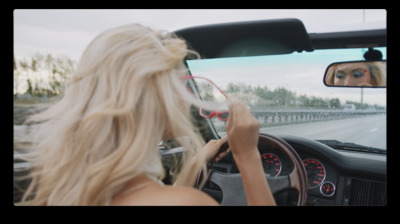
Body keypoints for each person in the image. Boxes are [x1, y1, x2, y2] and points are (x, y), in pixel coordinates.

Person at [20, 24, 276, 206]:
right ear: (158, 97)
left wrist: (198, 159)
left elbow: (164, 196)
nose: (186, 93)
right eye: (181, 82)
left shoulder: (61, 191)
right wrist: (248, 156)